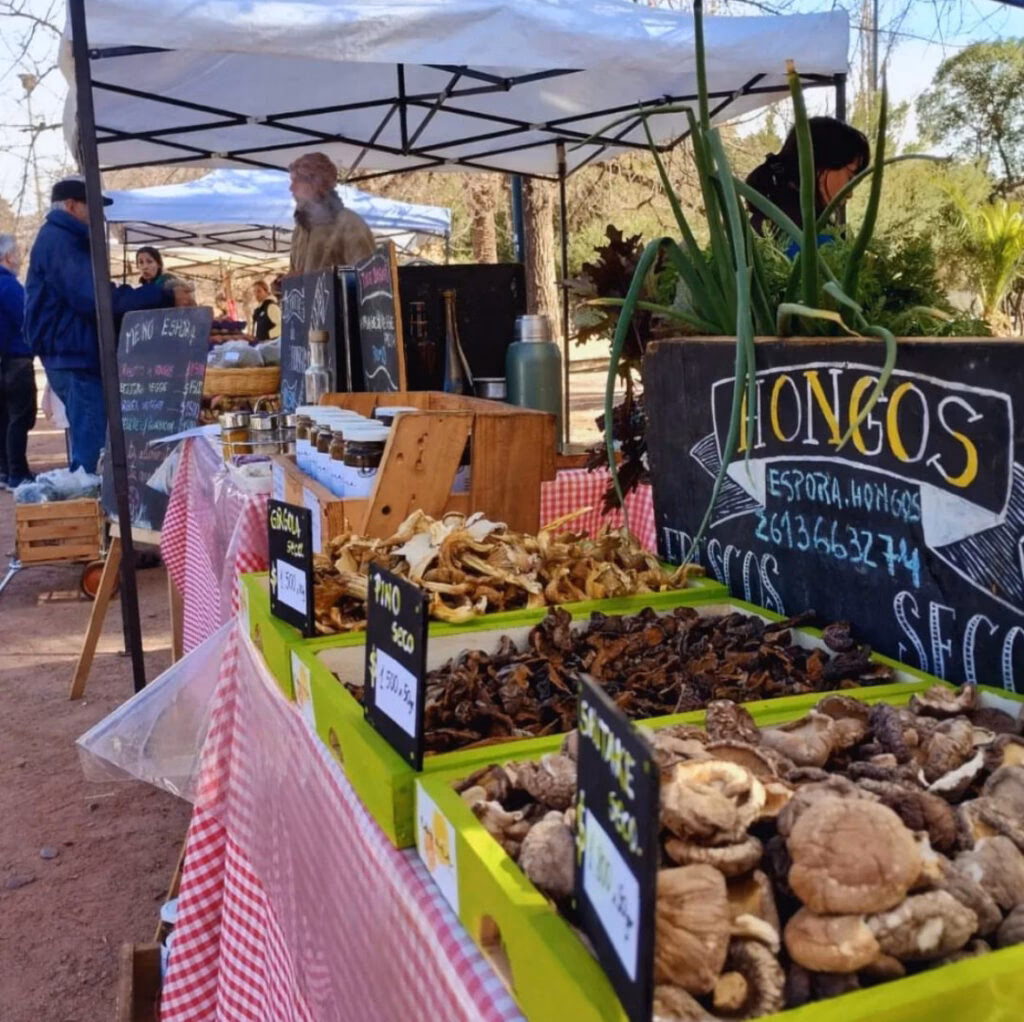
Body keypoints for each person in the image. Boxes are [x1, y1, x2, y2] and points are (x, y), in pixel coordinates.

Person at [25, 177, 170, 475]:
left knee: (93, 443)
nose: (98, 216)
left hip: (74, 355)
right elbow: (94, 298)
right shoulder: (60, 241)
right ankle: (91, 511)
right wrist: (160, 294)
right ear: (71, 206)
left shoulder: (65, 239)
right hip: (75, 358)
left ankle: (94, 508)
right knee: (92, 454)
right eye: (92, 207)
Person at [744, 117, 870, 242]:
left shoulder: (765, 218)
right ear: (820, 163)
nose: (849, 194)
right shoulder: (810, 234)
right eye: (850, 178)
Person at [288, 152, 375, 274]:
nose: (291, 188)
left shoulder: (350, 224)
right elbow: (295, 275)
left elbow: (368, 278)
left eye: (296, 181)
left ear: (315, 183)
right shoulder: (299, 231)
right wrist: (285, 284)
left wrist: (312, 280)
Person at [0, 235, 35, 488]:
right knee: (19, 417)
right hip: (15, 360)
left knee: (3, 417)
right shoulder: (9, 285)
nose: (21, 259)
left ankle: (4, 470)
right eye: (19, 254)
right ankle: (17, 472)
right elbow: (26, 318)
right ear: (8, 257)